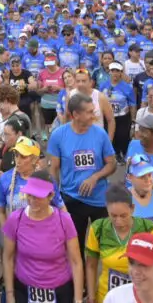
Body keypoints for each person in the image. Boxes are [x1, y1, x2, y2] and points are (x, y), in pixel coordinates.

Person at [47, 92, 117, 253]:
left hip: (99, 200)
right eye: (90, 112)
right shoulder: (59, 135)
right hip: (72, 199)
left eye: (94, 110)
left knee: (106, 247)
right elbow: (54, 169)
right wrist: (55, 198)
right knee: (75, 249)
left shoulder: (100, 134)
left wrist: (95, 177)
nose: (94, 115)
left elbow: (111, 164)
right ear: (76, 115)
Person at [2, 173, 83, 303]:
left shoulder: (64, 220)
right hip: (24, 290)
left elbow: (76, 261)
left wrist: (78, 299)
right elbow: (8, 257)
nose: (33, 201)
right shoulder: (15, 219)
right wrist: (10, 294)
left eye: (38, 196)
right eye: (30, 195)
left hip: (60, 290)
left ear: (51, 196)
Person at [85, 185, 153, 302]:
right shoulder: (97, 229)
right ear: (107, 209)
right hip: (107, 296)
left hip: (139, 297)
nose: (118, 221)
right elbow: (91, 265)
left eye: (123, 216)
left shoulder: (148, 229)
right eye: (113, 216)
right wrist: (91, 297)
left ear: (132, 208)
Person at [0, 136, 63, 219]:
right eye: (16, 155)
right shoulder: (5, 179)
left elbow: (61, 208)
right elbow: (0, 211)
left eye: (23, 156)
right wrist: (6, 231)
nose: (18, 160)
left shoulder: (45, 180)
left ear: (34, 159)